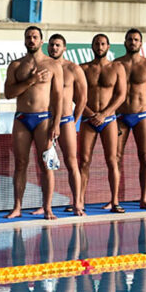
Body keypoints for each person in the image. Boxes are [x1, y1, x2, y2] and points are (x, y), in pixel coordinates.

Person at [3, 26, 63, 220]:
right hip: (22, 118)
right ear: (24, 40)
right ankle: (17, 207)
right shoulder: (15, 65)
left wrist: (56, 124)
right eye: (28, 37)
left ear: (41, 41)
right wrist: (31, 80)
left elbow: (58, 97)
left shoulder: (53, 65)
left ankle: (47, 208)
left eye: (35, 37)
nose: (31, 40)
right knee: (20, 163)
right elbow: (10, 93)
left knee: (45, 164)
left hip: (43, 119)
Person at [36, 33, 87, 216]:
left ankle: (77, 203)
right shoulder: (43, 66)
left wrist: (75, 119)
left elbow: (82, 98)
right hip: (45, 118)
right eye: (51, 45)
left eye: (58, 45)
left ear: (64, 48)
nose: (54, 48)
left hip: (65, 120)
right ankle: (45, 204)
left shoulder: (73, 69)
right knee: (45, 164)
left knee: (71, 162)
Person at [78, 34, 127, 213]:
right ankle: (79, 200)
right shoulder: (83, 68)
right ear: (92, 46)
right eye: (97, 44)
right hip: (87, 119)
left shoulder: (117, 67)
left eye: (103, 44)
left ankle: (114, 201)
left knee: (112, 160)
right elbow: (77, 96)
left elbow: (121, 95)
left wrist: (104, 114)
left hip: (109, 120)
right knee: (83, 160)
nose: (100, 47)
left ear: (108, 46)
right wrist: (91, 115)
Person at [113, 28, 146, 210]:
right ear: (125, 42)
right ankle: (114, 199)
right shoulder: (116, 65)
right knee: (115, 157)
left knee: (145, 157)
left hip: (141, 116)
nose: (133, 42)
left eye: (136, 39)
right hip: (121, 116)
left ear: (141, 43)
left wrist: (145, 110)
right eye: (130, 39)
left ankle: (145, 198)